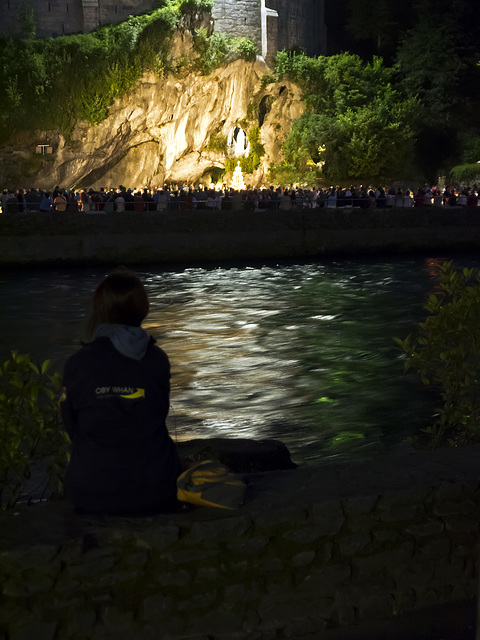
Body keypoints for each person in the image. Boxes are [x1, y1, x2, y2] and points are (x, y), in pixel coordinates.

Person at [61, 269, 182, 516]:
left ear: (100, 309)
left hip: (91, 492)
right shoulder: (156, 359)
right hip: (155, 488)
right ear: (141, 308)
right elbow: (158, 413)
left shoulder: (78, 363)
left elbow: (71, 425)